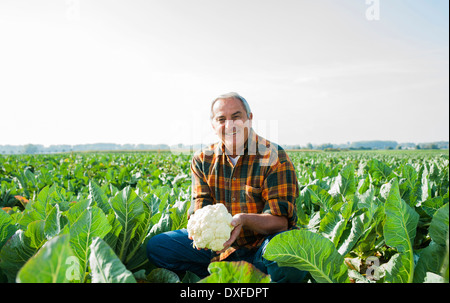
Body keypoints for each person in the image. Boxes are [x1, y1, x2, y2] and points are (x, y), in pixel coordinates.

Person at [146, 92, 307, 282]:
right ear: (213, 125)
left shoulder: (274, 156)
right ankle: (234, 274)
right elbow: (200, 205)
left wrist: (243, 220)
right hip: (220, 249)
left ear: (249, 118)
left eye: (236, 116)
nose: (229, 125)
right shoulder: (202, 159)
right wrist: (199, 230)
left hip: (262, 246)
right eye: (221, 119)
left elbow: (280, 222)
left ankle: (238, 274)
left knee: (289, 259)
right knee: (158, 246)